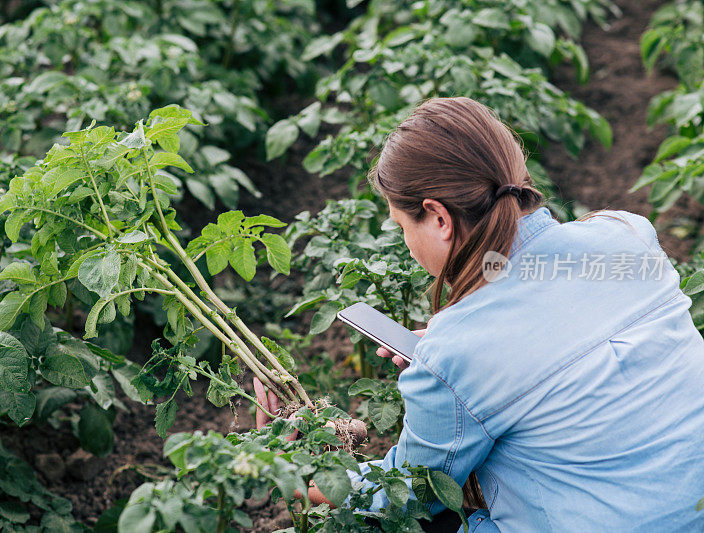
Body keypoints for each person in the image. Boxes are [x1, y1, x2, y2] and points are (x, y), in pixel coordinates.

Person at [254, 96, 704, 531]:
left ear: (438, 217)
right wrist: (464, 352)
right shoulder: (628, 235)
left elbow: (405, 495)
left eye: (401, 225)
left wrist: (288, 469)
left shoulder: (458, 352)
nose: (407, 244)